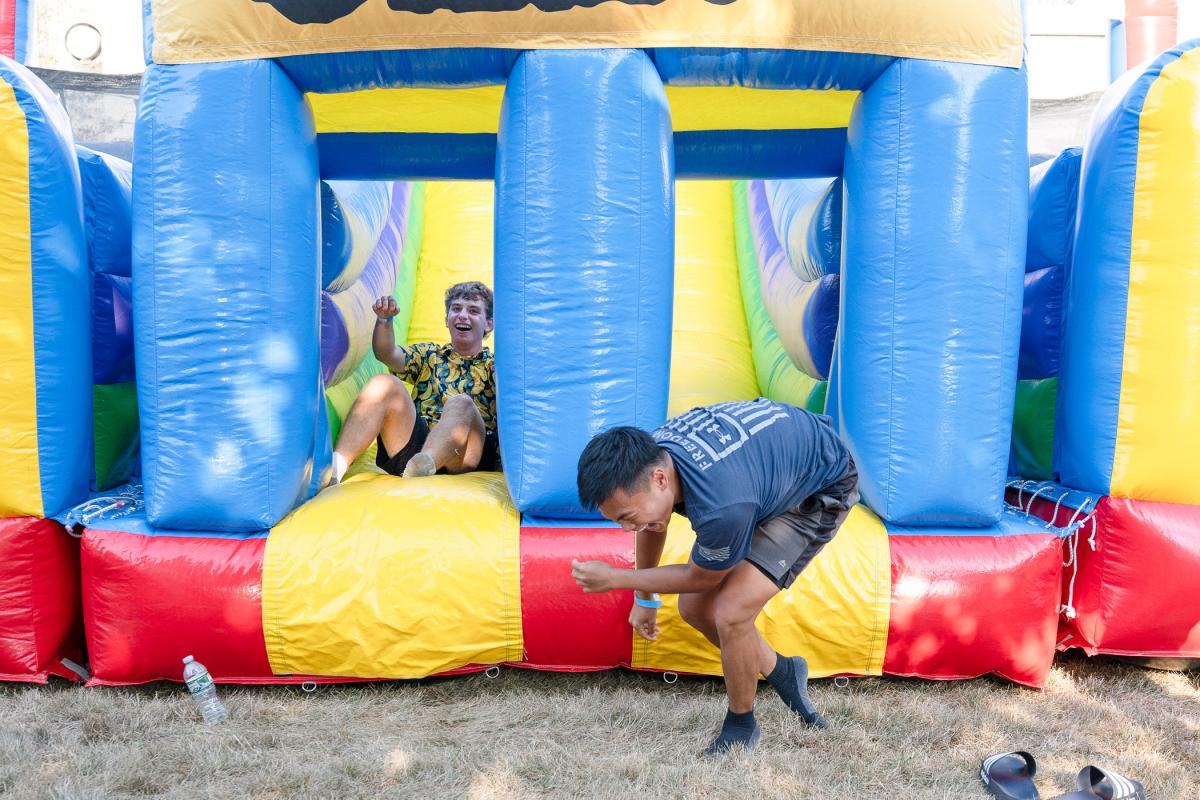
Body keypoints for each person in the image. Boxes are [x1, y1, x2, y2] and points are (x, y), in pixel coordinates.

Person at [572, 398, 859, 756]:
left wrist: (617, 578)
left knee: (731, 612)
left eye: (626, 516)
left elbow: (701, 578)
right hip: (767, 469)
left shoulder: (721, 505)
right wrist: (644, 598)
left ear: (660, 478)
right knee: (694, 609)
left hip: (819, 487)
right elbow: (650, 523)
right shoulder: (655, 458)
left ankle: (741, 724)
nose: (624, 527)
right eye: (617, 520)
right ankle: (781, 670)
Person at [329, 281, 499, 483]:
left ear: (489, 324)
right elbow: (386, 353)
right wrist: (384, 320)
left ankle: (424, 466)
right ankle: (334, 469)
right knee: (384, 384)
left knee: (460, 403)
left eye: (473, 311)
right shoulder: (429, 355)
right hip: (416, 447)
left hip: (463, 454)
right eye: (456, 309)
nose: (463, 315)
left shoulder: (493, 364)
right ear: (446, 319)